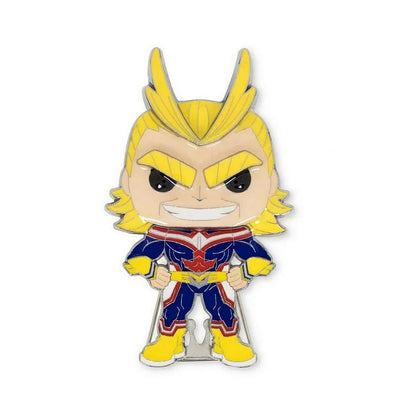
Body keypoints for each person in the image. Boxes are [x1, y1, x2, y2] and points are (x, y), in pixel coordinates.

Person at [107, 48, 290, 367]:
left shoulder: (235, 234)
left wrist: (244, 272)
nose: (201, 196)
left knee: (223, 308)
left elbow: (259, 258)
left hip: (218, 279)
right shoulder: (162, 233)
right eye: (162, 181)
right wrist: (153, 272)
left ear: (271, 183)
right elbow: (138, 257)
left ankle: (227, 339)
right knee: (173, 307)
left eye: (238, 181)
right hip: (179, 279)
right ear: (128, 181)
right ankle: (169, 338)